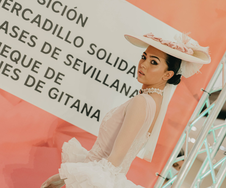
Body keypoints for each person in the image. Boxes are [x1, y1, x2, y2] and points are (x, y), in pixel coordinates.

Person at [40, 32, 211, 188]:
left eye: (154, 62)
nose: (143, 64)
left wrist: (64, 177)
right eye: (144, 57)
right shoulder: (154, 102)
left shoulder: (142, 102)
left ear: (167, 75)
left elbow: (114, 160)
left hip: (98, 180)